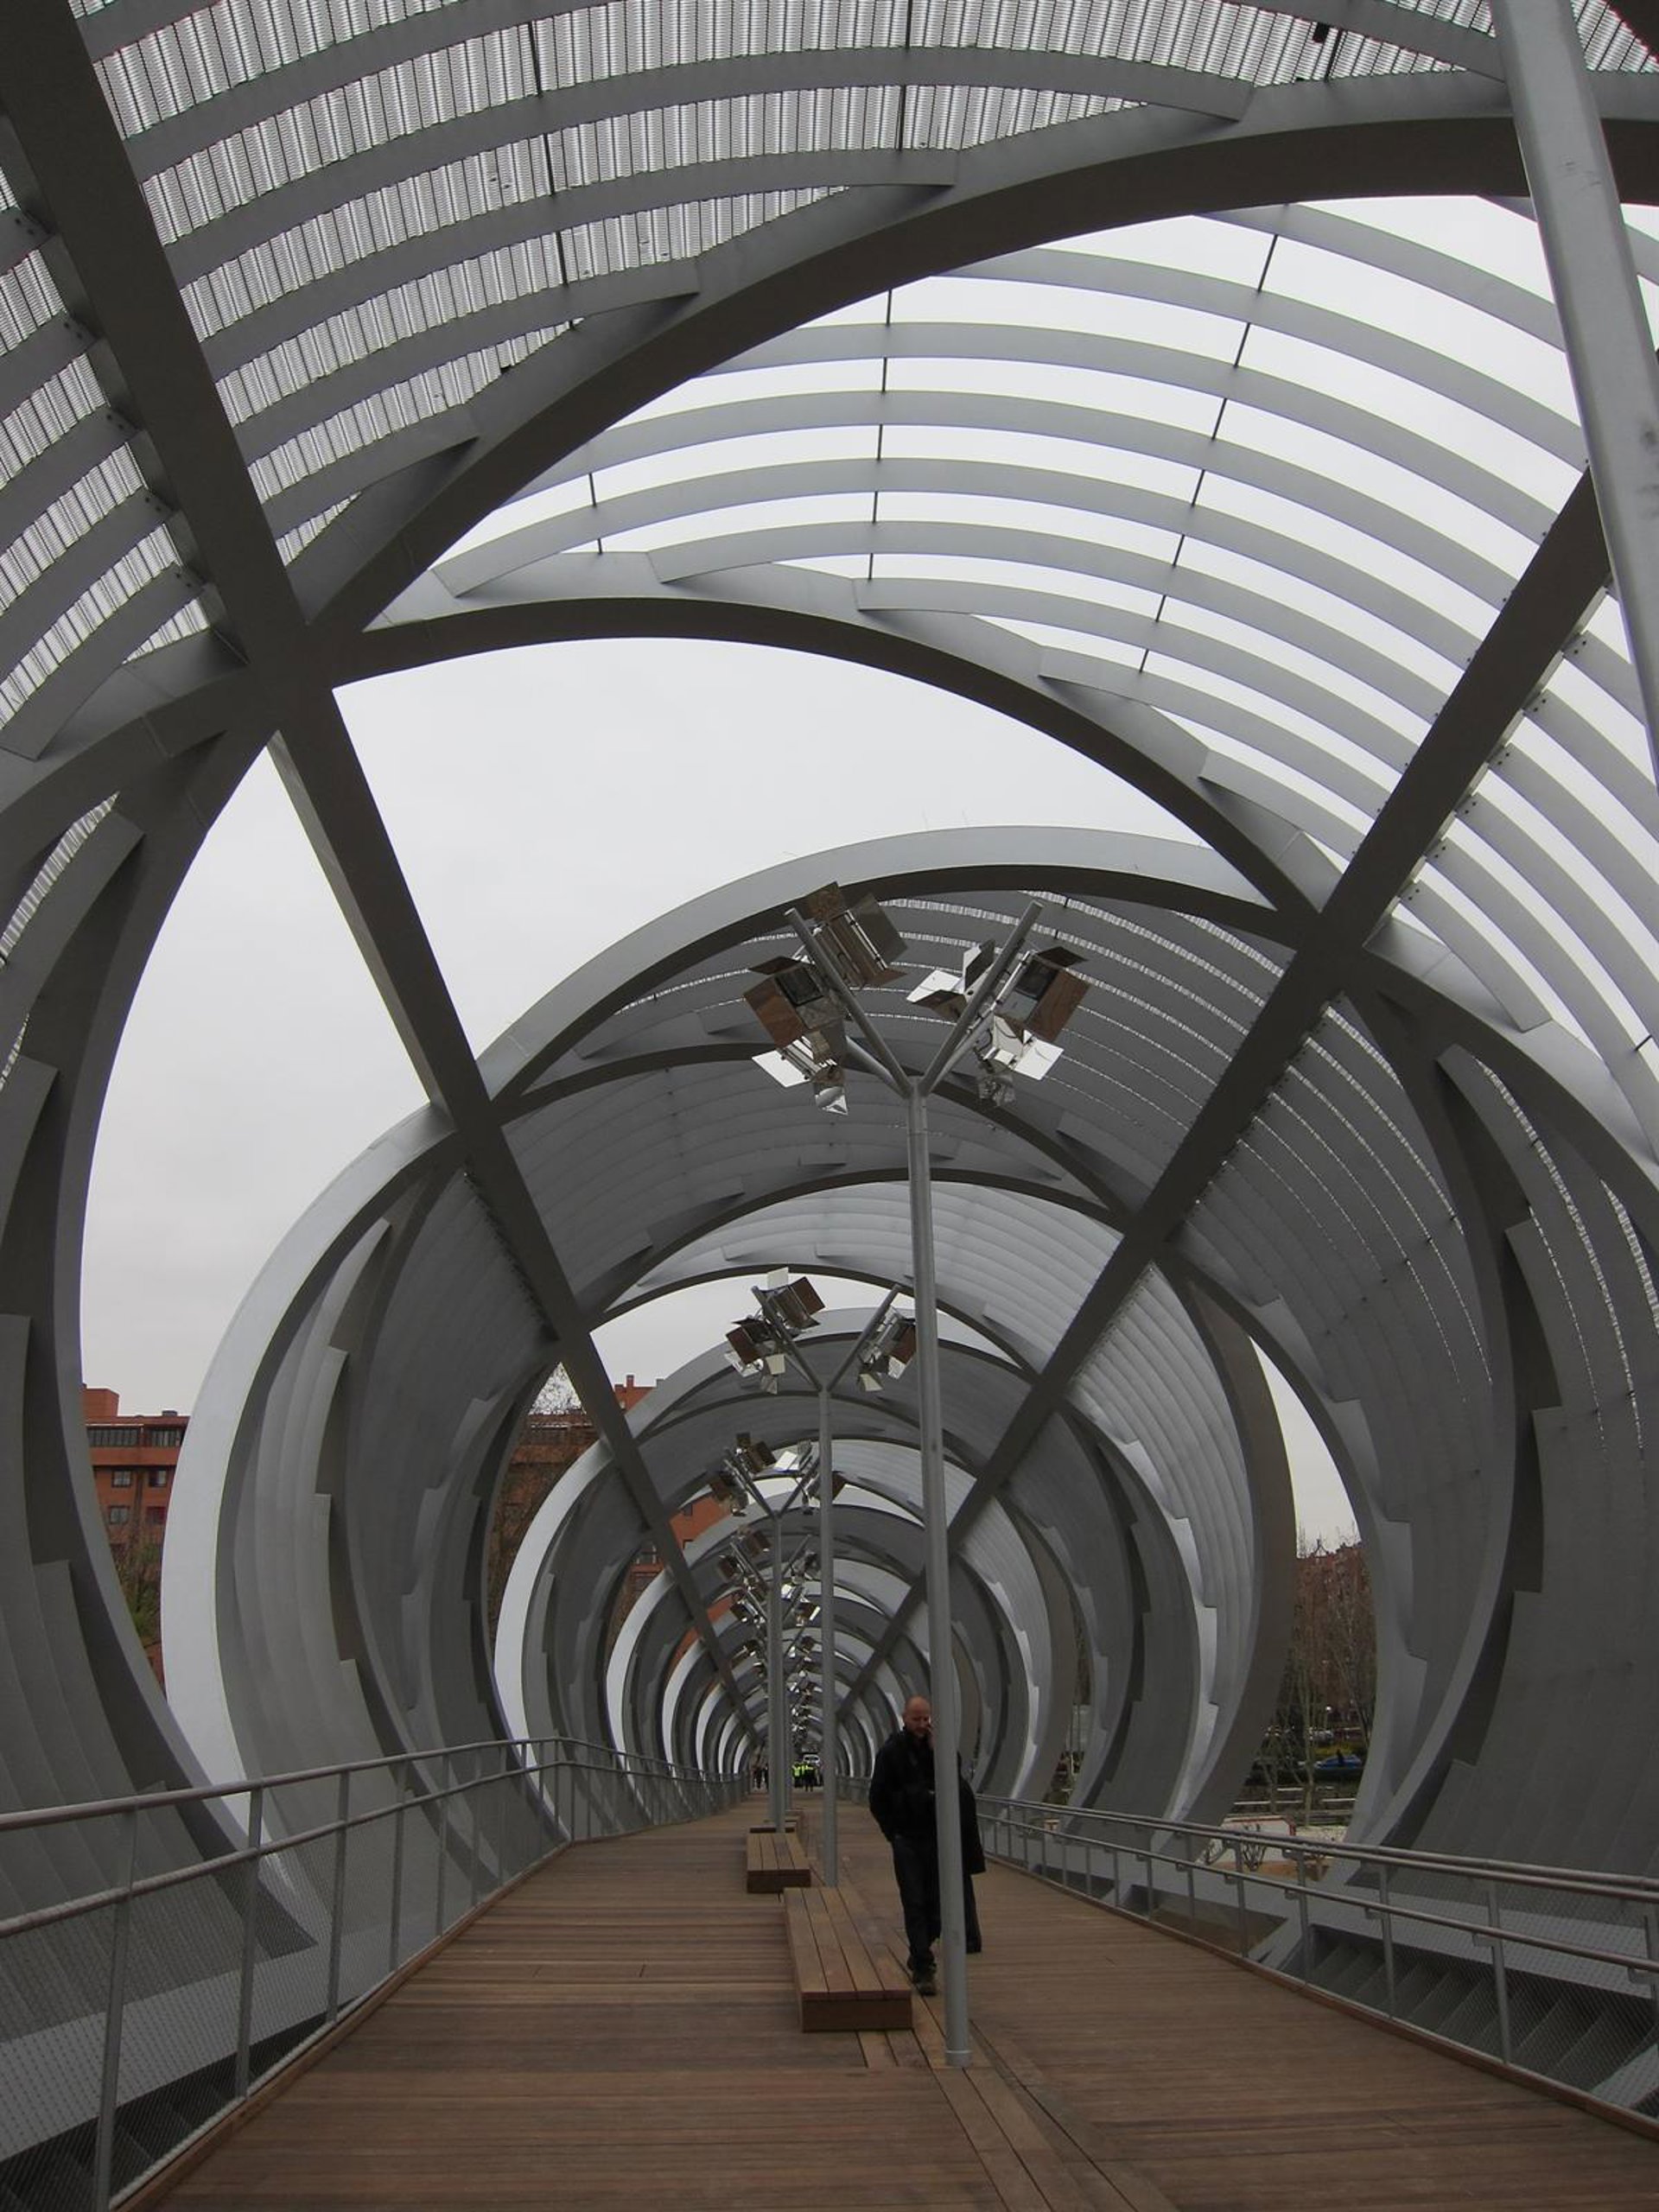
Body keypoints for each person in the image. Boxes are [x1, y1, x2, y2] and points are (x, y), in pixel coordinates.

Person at [868, 1694, 984, 1995]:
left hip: (936, 1838)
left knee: (937, 1904)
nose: (922, 1724)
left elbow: (954, 1778)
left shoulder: (939, 1748)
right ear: (904, 1718)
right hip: (907, 1839)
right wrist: (893, 1832)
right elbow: (877, 1798)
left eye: (925, 1718)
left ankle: (920, 1949)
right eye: (916, 1719)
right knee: (914, 1901)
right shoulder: (892, 1752)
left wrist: (938, 1752)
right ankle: (923, 1965)